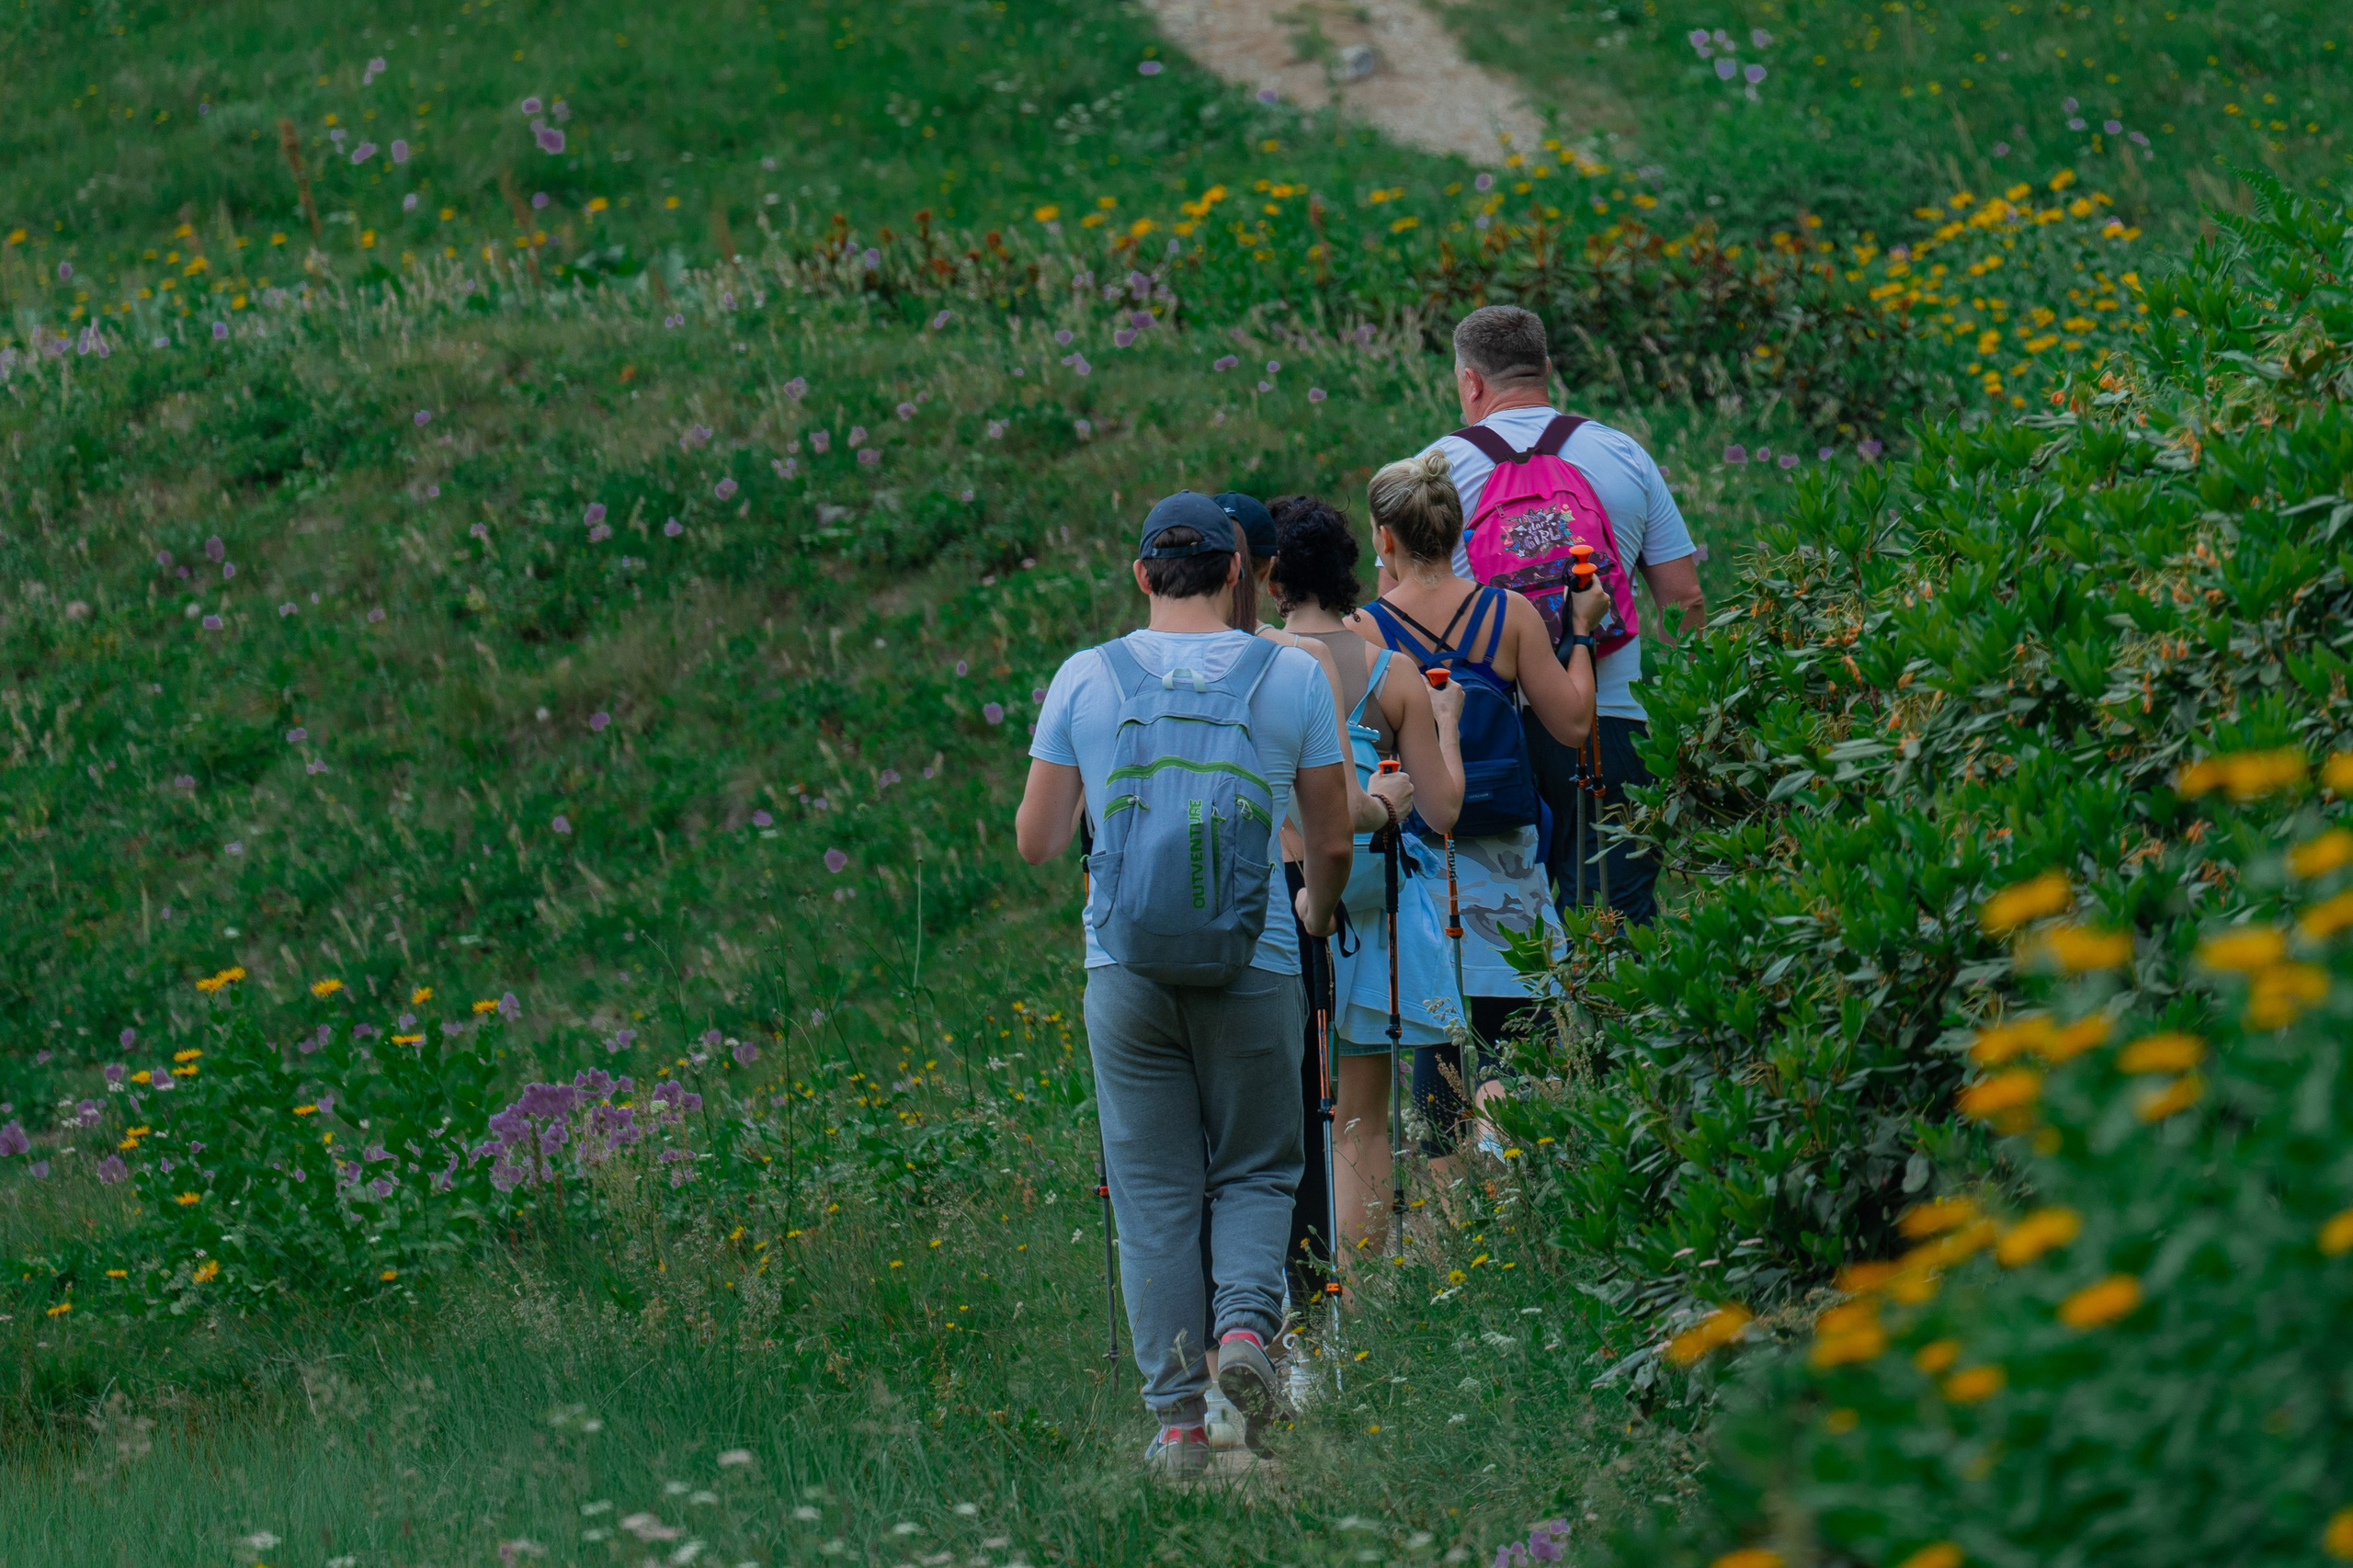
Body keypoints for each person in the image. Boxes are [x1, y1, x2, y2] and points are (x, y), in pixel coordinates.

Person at [1015, 491, 1353, 1480]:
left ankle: (1174, 1426)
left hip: (1124, 967)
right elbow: (1329, 835)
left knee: (1154, 1187)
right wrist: (1317, 913)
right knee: (1254, 1165)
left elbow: (1038, 840)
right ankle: (1246, 1332)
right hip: (1255, 958)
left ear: (1140, 576)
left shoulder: (1086, 674)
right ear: (1238, 572)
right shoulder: (1287, 673)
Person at [1350, 453, 1605, 1163]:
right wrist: (1580, 630)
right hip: (1508, 852)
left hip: (1426, 854)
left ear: (1385, 537)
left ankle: (1452, 1184)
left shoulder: (1368, 631)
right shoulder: (1510, 613)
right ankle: (1510, 1158)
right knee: (1513, 1031)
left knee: (1440, 1027)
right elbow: (1575, 724)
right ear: (1456, 530)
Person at [1420, 304, 1704, 927]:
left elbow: (1404, 606)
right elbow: (1684, 602)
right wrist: (1688, 713)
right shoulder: (1621, 453)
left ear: (1470, 381)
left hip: (1487, 726)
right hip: (1613, 717)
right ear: (1546, 369)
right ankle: (1617, 1026)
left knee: (1499, 926)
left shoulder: (1434, 472)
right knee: (1613, 917)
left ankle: (1525, 1029)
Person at [1264, 494, 1467, 1262]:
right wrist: (1446, 724)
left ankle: (1293, 1298)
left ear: (1269, 576)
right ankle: (1366, 1291)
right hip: (1371, 909)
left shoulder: (1256, 662)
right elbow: (1443, 811)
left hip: (1286, 893)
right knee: (1363, 1116)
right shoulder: (1395, 673)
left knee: (1287, 1111)